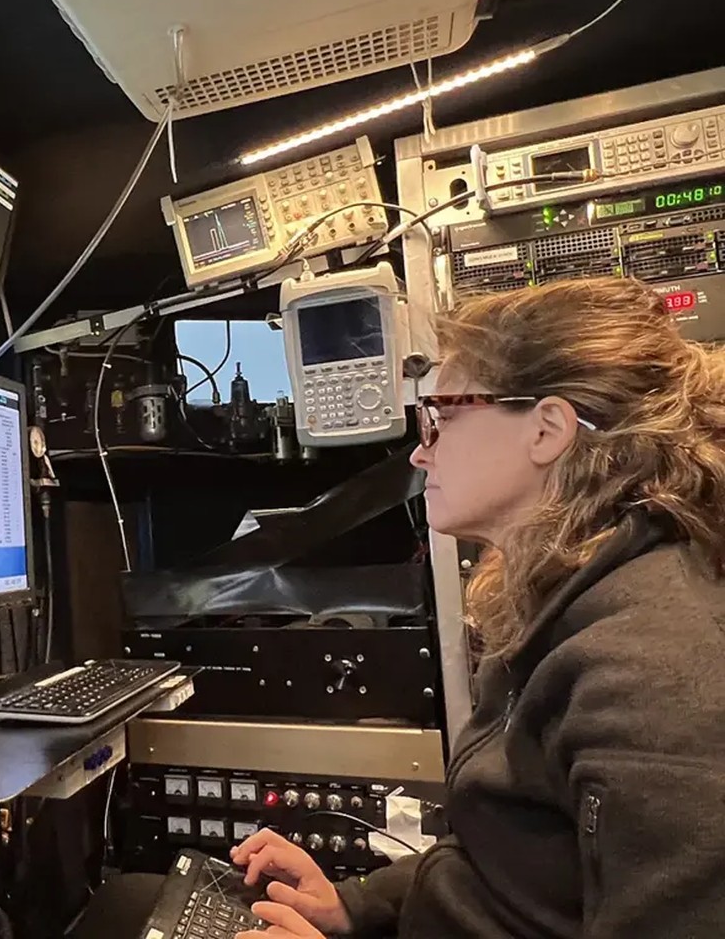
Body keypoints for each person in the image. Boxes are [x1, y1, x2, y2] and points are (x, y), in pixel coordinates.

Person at [72, 275, 725, 939]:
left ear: (547, 429)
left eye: (440, 418)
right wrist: (355, 906)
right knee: (127, 902)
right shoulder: (573, 599)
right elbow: (506, 868)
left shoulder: (657, 675)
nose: (420, 450)